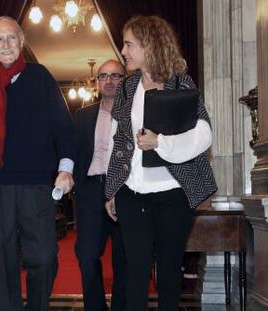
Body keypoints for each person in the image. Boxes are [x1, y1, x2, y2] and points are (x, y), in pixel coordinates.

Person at [0, 16, 75, 311]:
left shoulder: (41, 77)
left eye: (11, 38)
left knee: (44, 257)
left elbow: (64, 129)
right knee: (0, 261)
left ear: (21, 42)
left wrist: (66, 169)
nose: (6, 44)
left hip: (35, 185)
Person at [104, 16, 218, 311]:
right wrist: (113, 188)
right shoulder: (128, 87)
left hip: (172, 194)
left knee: (168, 273)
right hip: (131, 193)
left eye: (129, 44)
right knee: (135, 270)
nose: (124, 51)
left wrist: (161, 143)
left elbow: (204, 132)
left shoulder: (180, 81)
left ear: (148, 44)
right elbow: (119, 140)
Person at [74, 59, 126, 311]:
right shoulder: (83, 116)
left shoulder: (135, 115)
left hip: (125, 192)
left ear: (124, 81)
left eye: (115, 76)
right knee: (86, 255)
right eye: (104, 76)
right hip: (90, 192)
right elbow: (73, 153)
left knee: (123, 258)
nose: (109, 81)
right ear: (97, 82)